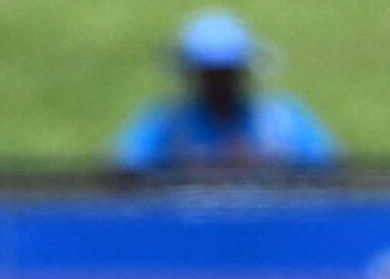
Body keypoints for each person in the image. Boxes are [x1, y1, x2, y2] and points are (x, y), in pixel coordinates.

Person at [108, 10, 338, 175]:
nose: (218, 82)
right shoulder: (167, 123)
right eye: (209, 73)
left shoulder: (281, 121)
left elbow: (329, 172)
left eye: (226, 73)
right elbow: (123, 173)